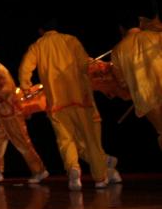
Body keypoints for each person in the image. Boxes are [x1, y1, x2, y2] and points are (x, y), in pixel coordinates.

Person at [18, 20, 121, 190]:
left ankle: (73, 169)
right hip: (80, 99)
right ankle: (100, 179)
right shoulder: (70, 40)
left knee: (65, 140)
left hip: (57, 103)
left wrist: (26, 88)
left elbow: (24, 68)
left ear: (41, 30)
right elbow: (83, 65)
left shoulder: (37, 46)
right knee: (91, 139)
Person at [0, 48, 48, 184]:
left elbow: (8, 87)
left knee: (22, 143)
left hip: (11, 113)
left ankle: (40, 171)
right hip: (3, 114)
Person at [111, 13, 162, 150]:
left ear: (121, 29)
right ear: (139, 24)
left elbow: (122, 82)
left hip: (146, 100)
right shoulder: (156, 37)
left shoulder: (117, 51)